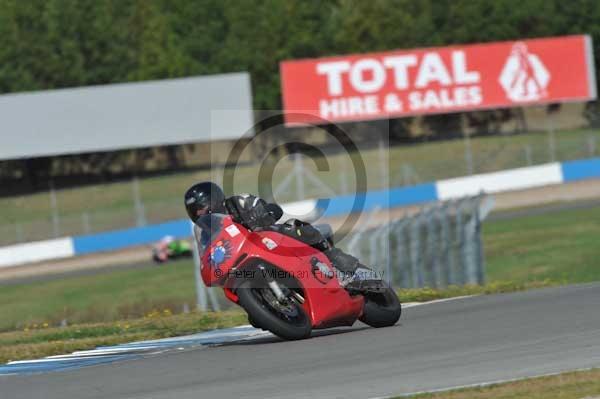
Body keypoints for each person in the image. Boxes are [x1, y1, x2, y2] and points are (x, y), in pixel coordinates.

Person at [184, 181, 380, 291]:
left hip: (269, 240)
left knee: (293, 227)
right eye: (195, 211)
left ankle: (339, 260)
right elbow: (211, 254)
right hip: (245, 261)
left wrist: (262, 214)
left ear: (215, 200)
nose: (200, 214)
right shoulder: (206, 235)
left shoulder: (239, 202)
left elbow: (265, 207)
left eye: (202, 208)